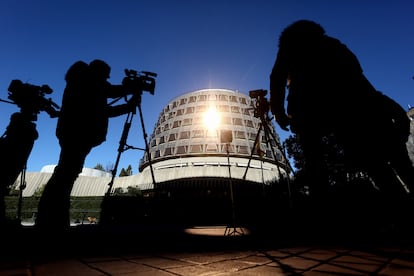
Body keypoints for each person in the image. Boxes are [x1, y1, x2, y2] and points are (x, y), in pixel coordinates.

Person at [269, 20, 414, 205]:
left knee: (369, 168)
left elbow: (277, 77)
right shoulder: (334, 45)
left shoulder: (289, 50)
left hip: (313, 110)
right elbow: (360, 78)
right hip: (356, 109)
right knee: (396, 165)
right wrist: (393, 111)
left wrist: (279, 112)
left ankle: (324, 208)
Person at [35, 59, 139, 229]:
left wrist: (126, 94)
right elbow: (105, 106)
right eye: (105, 76)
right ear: (97, 73)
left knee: (66, 174)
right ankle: (51, 221)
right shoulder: (88, 84)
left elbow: (107, 96)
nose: (106, 79)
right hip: (79, 134)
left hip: (73, 133)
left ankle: (51, 219)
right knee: (65, 175)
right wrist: (128, 101)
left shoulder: (81, 83)